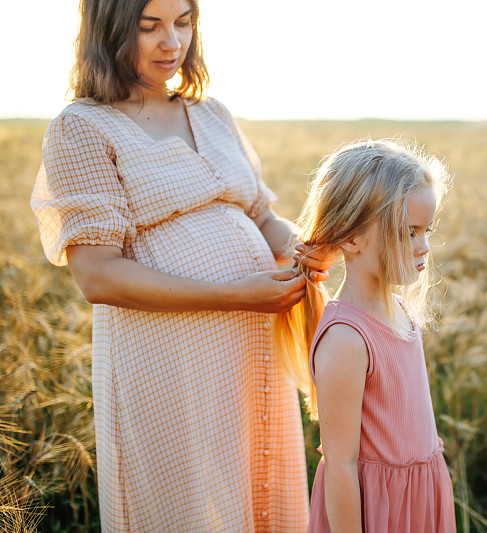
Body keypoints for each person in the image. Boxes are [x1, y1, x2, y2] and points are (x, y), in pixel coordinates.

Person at [30, 0, 334, 531]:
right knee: (189, 504)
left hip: (251, 343)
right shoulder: (81, 128)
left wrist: (310, 246)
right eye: (149, 27)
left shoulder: (211, 113)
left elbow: (261, 218)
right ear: (109, 28)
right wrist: (237, 293)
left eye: (183, 22)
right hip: (167, 355)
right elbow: (97, 275)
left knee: (257, 482)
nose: (172, 42)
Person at [288, 139, 457, 533]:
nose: (424, 246)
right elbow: (341, 466)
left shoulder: (397, 311)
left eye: (426, 230)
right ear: (351, 238)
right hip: (378, 514)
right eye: (408, 233)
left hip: (419, 498)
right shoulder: (347, 338)